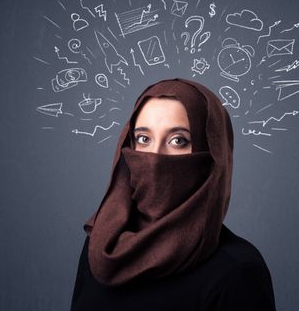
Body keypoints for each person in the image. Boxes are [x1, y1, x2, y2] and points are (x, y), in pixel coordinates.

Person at [70, 78, 276, 311]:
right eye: (143, 139)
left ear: (211, 154)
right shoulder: (101, 243)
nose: (155, 157)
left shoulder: (236, 272)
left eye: (178, 141)